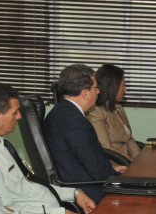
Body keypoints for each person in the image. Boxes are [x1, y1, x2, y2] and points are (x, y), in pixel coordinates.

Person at [0, 82, 95, 214]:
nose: (19, 116)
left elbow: (31, 187)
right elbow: (4, 209)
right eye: (15, 112)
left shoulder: (1, 145)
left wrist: (75, 194)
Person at [44, 64, 126, 203]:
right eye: (96, 88)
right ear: (85, 93)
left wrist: (112, 168)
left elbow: (88, 159)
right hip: (88, 190)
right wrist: (124, 180)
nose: (99, 91)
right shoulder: (75, 122)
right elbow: (97, 171)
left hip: (81, 180)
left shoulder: (60, 111)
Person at [85, 64, 142, 167]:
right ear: (112, 87)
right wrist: (133, 164)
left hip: (127, 161)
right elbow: (107, 149)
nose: (125, 89)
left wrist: (142, 160)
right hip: (115, 166)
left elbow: (129, 140)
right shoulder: (95, 113)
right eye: (122, 85)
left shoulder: (118, 108)